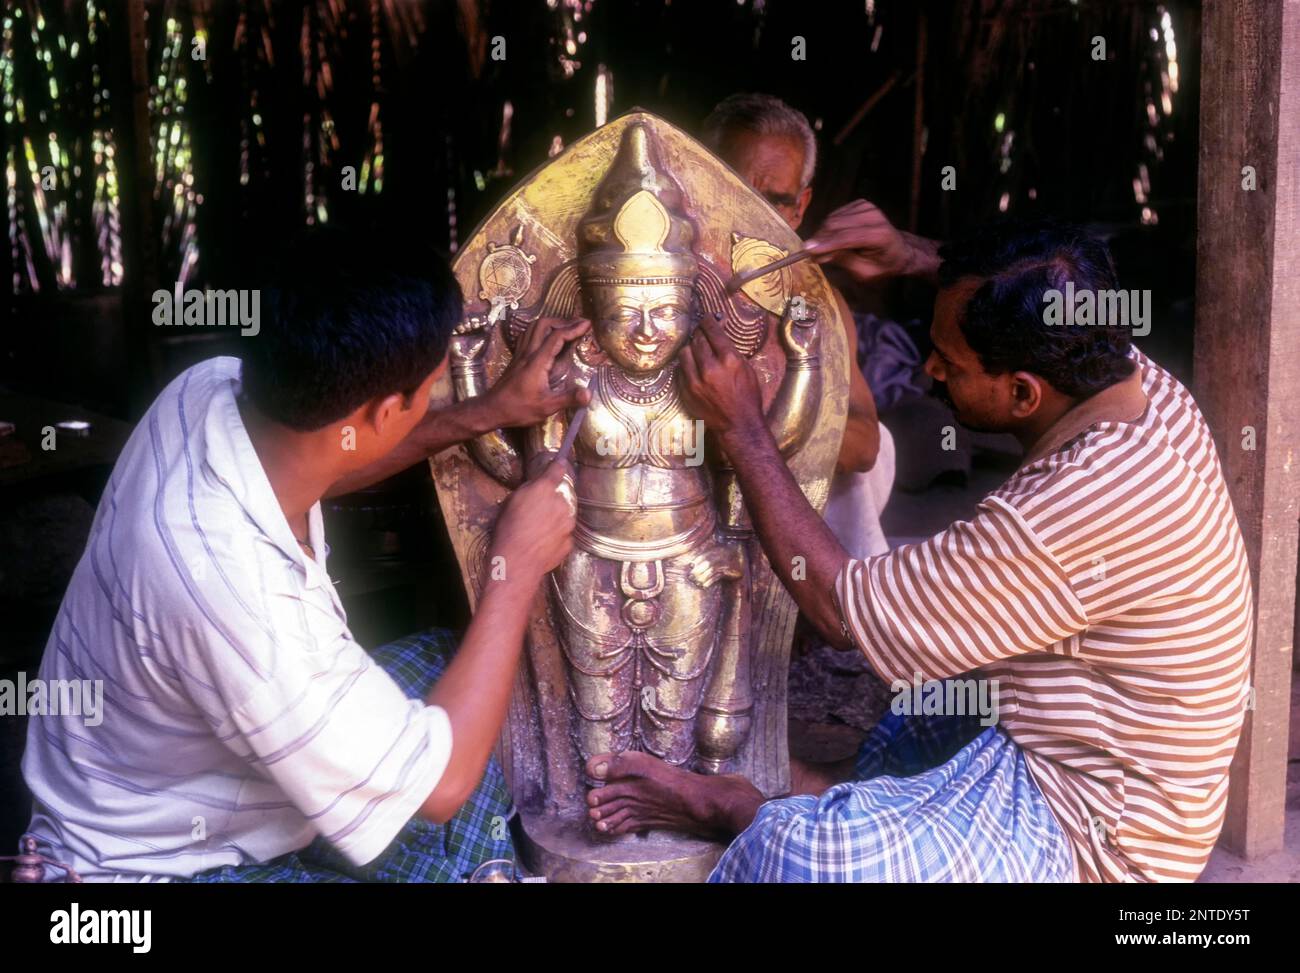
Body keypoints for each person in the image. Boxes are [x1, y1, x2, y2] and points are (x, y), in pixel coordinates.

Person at [585, 217, 1254, 883]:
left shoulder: (1072, 510)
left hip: (1098, 836)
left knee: (809, 861)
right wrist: (911, 253)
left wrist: (741, 428)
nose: (929, 367)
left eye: (950, 364)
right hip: (1052, 733)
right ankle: (818, 798)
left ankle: (757, 813)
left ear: (1024, 392)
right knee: (930, 691)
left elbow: (843, 610)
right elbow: (1033, 296)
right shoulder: (1132, 380)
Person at [20, 226, 588, 882]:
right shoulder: (235, 596)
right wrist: (514, 566)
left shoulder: (206, 390)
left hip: (195, 768)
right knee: (463, 765)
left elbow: (332, 460)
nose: (440, 392)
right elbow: (444, 786)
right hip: (154, 865)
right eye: (435, 385)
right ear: (383, 410)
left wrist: (483, 410)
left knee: (450, 661)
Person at [701, 93, 902, 558]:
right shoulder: (646, 287)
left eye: (773, 200)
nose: (750, 215)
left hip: (777, 529)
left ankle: (835, 613)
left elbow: (863, 446)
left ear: (799, 207)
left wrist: (741, 422)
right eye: (732, 190)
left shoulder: (816, 304)